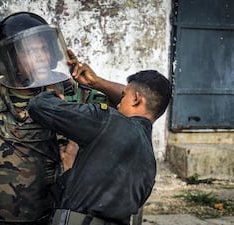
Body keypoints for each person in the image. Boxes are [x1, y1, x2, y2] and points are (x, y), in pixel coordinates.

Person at [0, 12, 107, 225]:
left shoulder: (73, 94)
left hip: (52, 216)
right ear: (10, 57)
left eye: (44, 49)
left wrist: (97, 82)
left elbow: (133, 108)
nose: (41, 56)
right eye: (31, 50)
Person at [27, 58, 172, 225]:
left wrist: (53, 89)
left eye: (123, 97)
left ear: (136, 99)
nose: (117, 104)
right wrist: (70, 170)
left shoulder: (108, 121)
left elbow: (39, 106)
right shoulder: (150, 162)